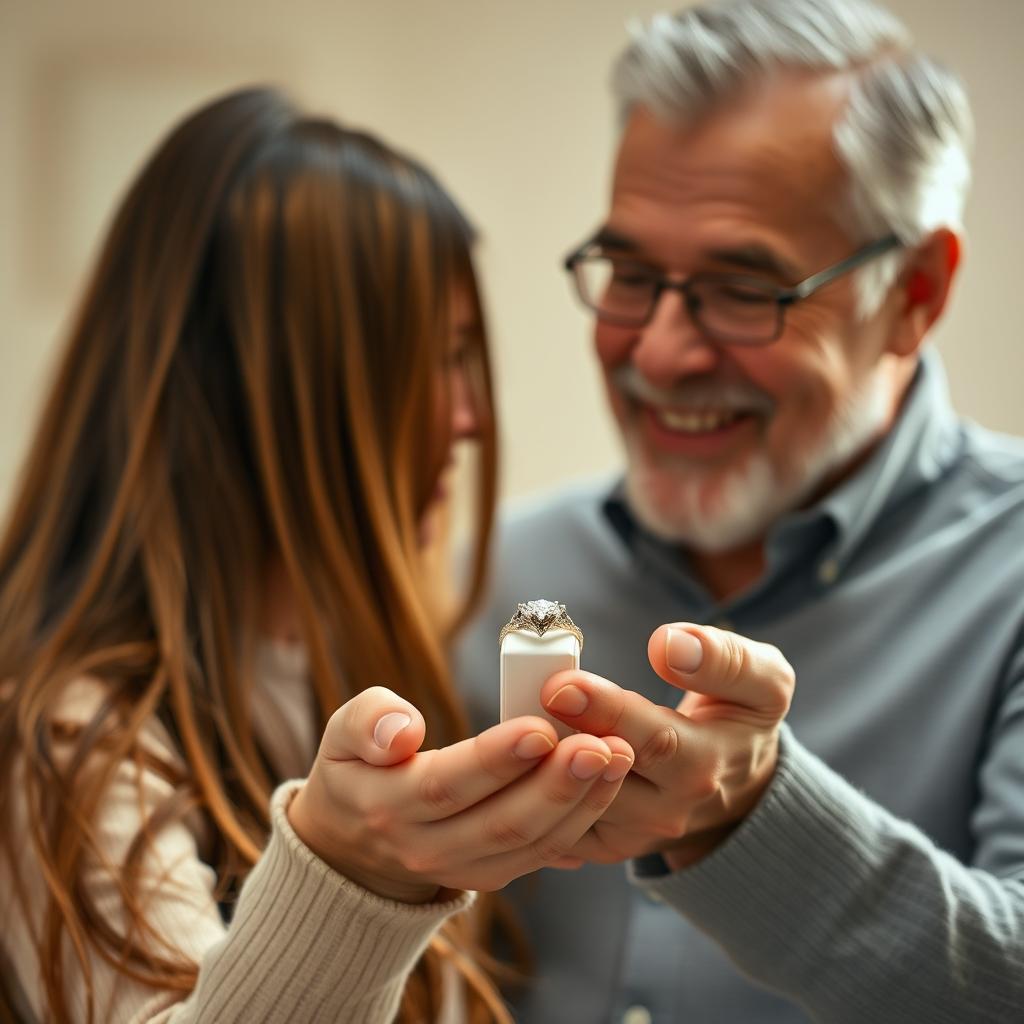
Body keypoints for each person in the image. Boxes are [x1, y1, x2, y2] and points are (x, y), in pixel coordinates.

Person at [0, 86, 645, 1023]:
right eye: (432, 359)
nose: (467, 421)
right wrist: (348, 880)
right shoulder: (62, 741)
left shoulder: (360, 670)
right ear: (269, 395)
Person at [456, 0, 1024, 1021]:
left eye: (742, 287)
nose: (663, 352)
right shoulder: (492, 577)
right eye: (630, 275)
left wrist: (754, 821)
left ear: (915, 293)